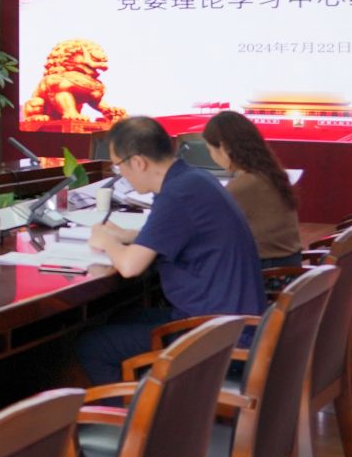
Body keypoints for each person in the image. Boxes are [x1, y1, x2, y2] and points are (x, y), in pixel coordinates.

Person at [76, 115, 265, 385]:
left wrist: (106, 240)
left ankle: (137, 411)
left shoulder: (176, 195)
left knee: (91, 345)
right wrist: (127, 235)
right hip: (233, 323)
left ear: (138, 162)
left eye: (119, 166)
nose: (121, 174)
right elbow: (181, 232)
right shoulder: (195, 179)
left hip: (218, 339)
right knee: (121, 317)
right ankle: (151, 394)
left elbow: (130, 267)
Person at [202, 109, 303, 270]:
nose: (211, 156)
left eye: (210, 150)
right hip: (288, 268)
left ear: (223, 148)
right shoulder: (271, 174)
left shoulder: (242, 186)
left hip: (264, 273)